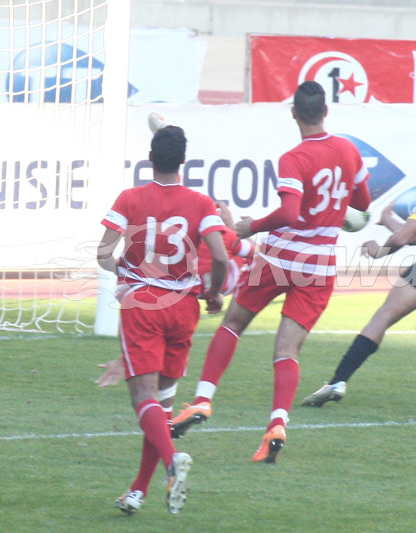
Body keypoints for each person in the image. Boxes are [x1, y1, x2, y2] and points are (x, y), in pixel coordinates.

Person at [170, 81, 371, 463]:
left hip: (280, 258)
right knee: (287, 349)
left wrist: (253, 225)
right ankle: (277, 424)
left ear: (294, 113)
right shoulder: (349, 150)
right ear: (326, 111)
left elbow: (290, 213)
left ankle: (202, 400)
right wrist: (336, 212)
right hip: (318, 266)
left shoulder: (294, 158)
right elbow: (362, 202)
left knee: (232, 324)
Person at [97, 125, 228, 515]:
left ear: (150, 158)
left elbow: (103, 252)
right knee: (163, 403)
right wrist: (215, 292)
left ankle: (173, 461)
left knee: (143, 399)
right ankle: (138, 490)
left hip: (144, 306)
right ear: (183, 161)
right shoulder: (201, 203)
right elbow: (220, 256)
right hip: (184, 307)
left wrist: (124, 271)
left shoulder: (131, 198)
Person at [302, 165, 416, 407]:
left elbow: (400, 238)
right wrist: (388, 217)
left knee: (383, 316)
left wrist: (378, 252)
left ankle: (338, 381)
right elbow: (412, 236)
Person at [94, 201, 255, 388]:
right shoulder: (226, 236)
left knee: (149, 324)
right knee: (168, 362)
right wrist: (236, 228)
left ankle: (133, 362)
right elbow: (255, 251)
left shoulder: (185, 232)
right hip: (198, 292)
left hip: (163, 288)